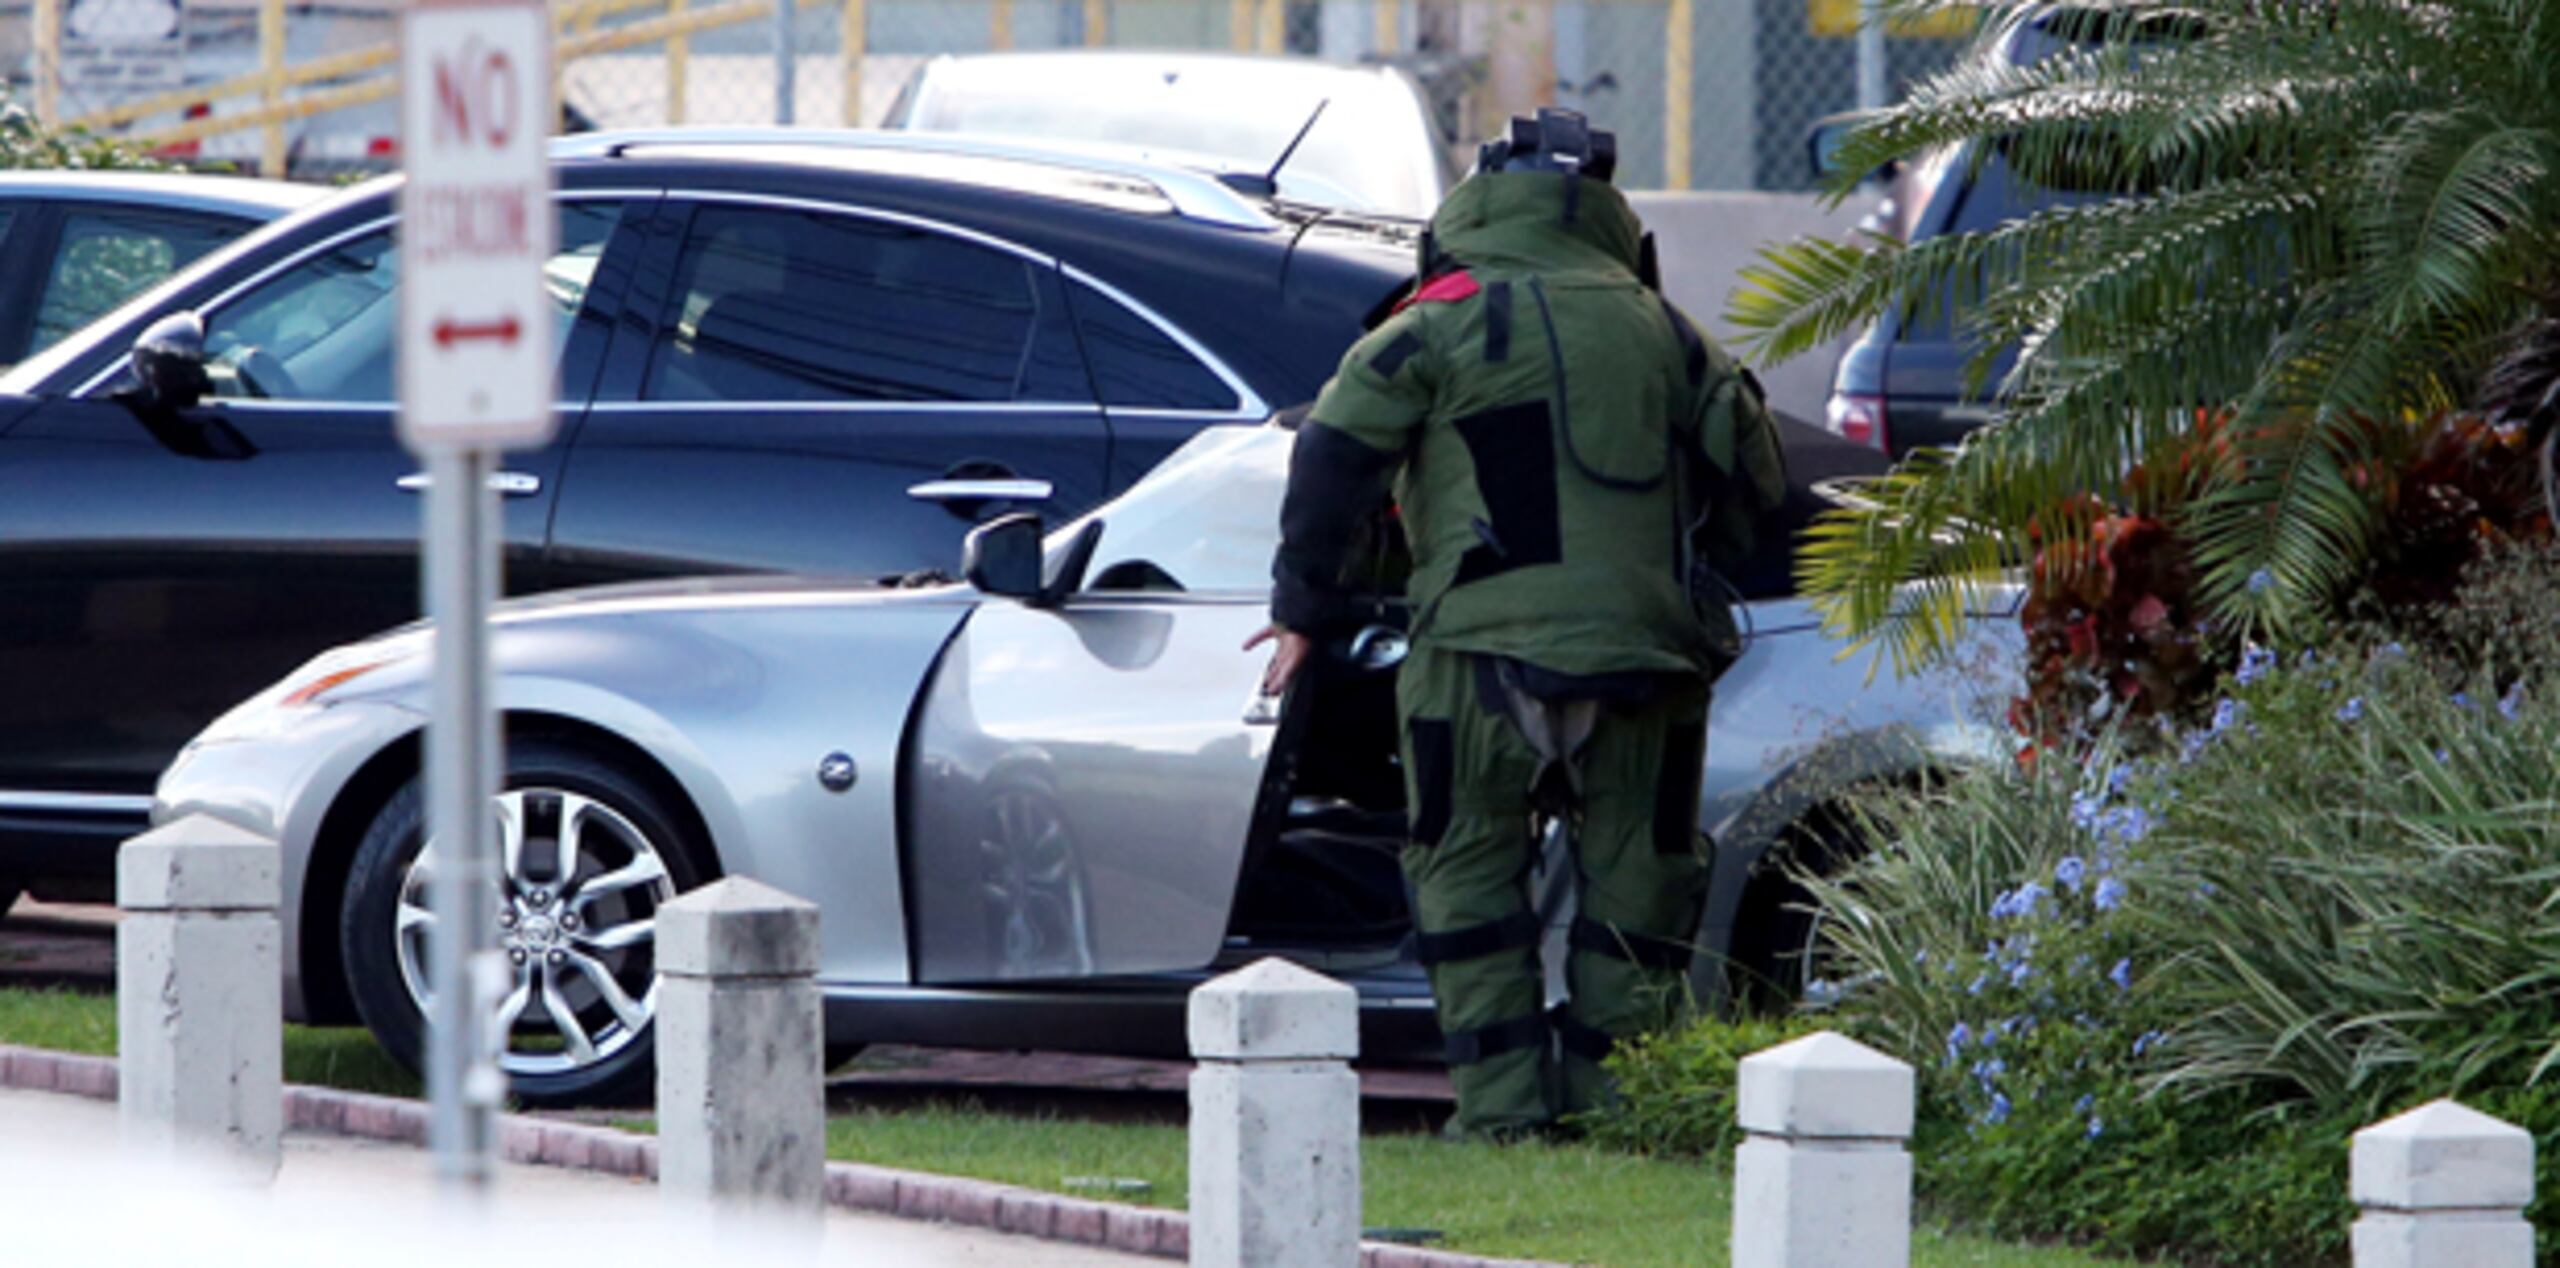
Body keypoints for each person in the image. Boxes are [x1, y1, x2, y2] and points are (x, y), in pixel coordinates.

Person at [1247, 107, 1787, 1138]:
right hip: (1647, 657)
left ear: (1478, 200)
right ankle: (1616, 1115)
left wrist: (1303, 609)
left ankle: (1499, 1116)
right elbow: (1755, 480)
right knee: (1639, 889)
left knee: (1465, 874)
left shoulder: (1438, 312)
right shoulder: (1666, 328)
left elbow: (1331, 454)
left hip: (1476, 658)